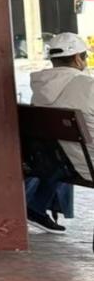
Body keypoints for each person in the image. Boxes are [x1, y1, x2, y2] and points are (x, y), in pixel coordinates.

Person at [27, 32, 93, 229]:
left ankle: (37, 206)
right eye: (85, 56)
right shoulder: (87, 86)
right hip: (88, 163)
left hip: (67, 163)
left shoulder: (40, 89)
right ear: (76, 58)